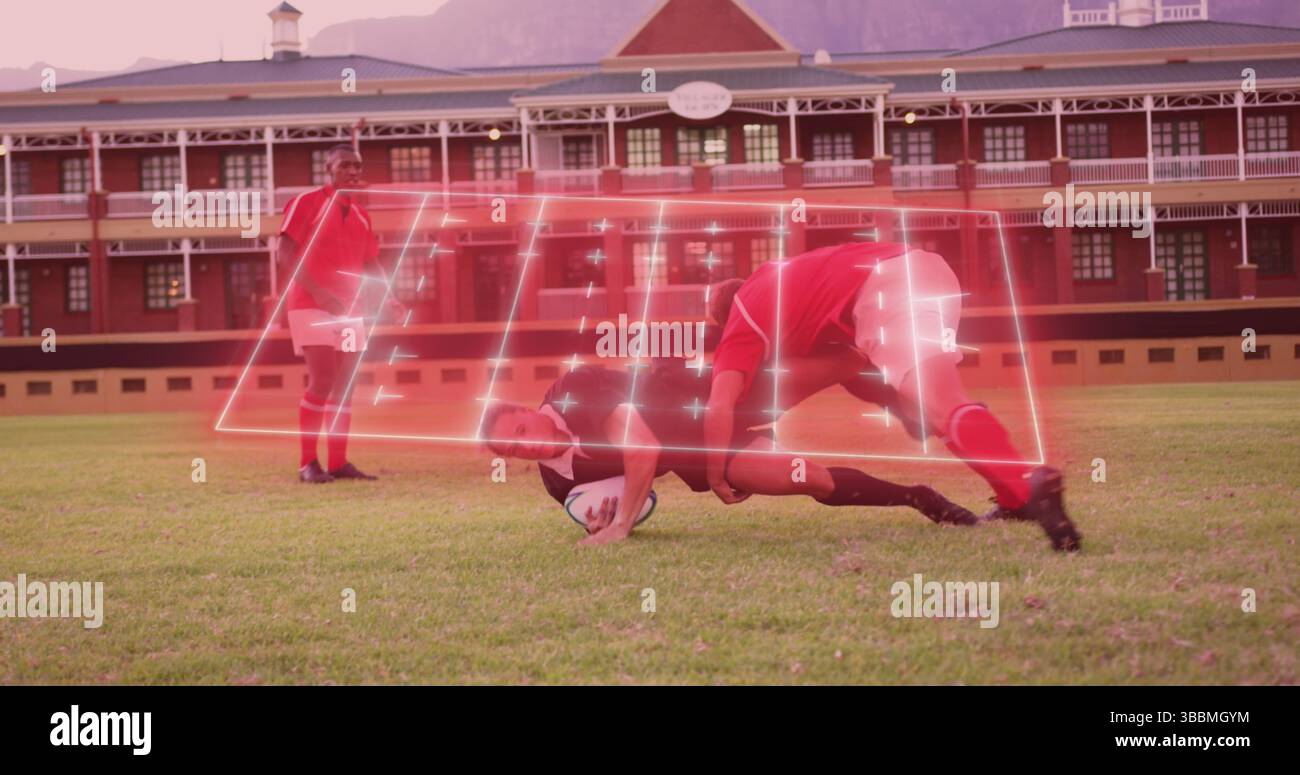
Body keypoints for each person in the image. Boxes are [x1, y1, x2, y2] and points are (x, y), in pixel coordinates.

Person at [704, 241, 1081, 551]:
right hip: (926, 269)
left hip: (886, 290)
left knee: (941, 402)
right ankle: (1015, 499)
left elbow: (720, 403)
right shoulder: (779, 282)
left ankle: (1030, 484)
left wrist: (716, 474)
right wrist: (896, 405)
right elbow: (851, 365)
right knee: (934, 406)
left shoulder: (743, 317)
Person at [481, 362, 978, 546]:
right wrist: (599, 521)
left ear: (529, 409)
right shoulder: (558, 483)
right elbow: (635, 488)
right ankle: (920, 498)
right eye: (514, 447)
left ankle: (893, 384)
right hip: (698, 450)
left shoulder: (575, 388)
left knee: (816, 370)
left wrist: (622, 528)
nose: (528, 444)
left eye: (522, 429)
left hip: (704, 393)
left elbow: (643, 448)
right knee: (809, 478)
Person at [277, 144, 403, 483]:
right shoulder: (306, 203)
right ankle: (307, 464)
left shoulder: (361, 214)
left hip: (350, 310)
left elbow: (371, 262)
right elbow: (284, 254)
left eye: (357, 166)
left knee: (345, 386)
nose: (352, 172)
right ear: (328, 168)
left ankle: (337, 463)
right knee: (323, 379)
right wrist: (319, 291)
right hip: (310, 303)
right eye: (345, 165)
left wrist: (389, 298)